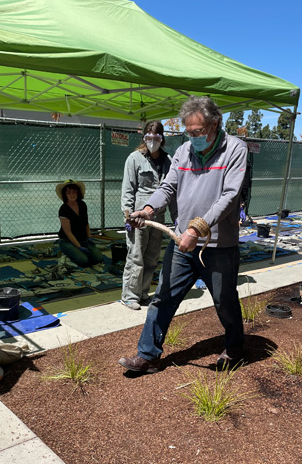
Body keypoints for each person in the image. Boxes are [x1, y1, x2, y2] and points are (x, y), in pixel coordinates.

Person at [118, 95, 247, 373]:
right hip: (181, 243)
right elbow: (168, 187)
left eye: (197, 132)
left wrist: (196, 228)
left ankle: (235, 348)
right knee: (163, 297)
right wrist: (148, 209)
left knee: (224, 301)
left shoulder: (236, 149)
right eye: (188, 132)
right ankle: (147, 355)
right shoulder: (183, 152)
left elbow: (230, 196)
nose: (192, 138)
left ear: (215, 124)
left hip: (218, 246)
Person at [120, 121, 175, 310]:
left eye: (156, 138)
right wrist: (127, 216)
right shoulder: (134, 159)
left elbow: (173, 191)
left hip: (158, 217)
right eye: (149, 137)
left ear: (162, 139)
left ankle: (143, 293)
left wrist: (176, 217)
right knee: (136, 255)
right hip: (138, 217)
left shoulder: (168, 161)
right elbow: (128, 189)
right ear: (144, 138)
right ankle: (129, 295)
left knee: (151, 256)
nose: (153, 141)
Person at [56, 179, 103, 267]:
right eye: (69, 192)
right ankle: (66, 255)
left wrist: (89, 237)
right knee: (83, 261)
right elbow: (68, 233)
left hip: (83, 239)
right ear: (65, 195)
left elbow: (86, 223)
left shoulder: (82, 205)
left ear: (78, 193)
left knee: (98, 259)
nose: (72, 194)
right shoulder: (63, 209)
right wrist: (79, 247)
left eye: (74, 192)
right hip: (67, 241)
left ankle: (77, 252)